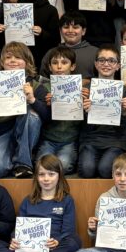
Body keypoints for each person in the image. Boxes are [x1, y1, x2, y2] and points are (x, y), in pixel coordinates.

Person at [0, 155, 82, 252]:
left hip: (53, 249)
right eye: (41, 174)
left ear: (59, 176)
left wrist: (57, 241)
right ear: (36, 177)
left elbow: (69, 231)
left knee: (74, 241)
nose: (46, 179)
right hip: (29, 250)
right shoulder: (28, 201)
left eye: (51, 174)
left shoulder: (66, 200)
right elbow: (18, 229)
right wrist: (14, 240)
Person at [0, 42, 44, 178]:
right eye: (8, 57)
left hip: (26, 132)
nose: (13, 61)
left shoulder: (35, 85)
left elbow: (48, 116)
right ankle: (15, 155)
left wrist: (33, 100)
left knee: (32, 115)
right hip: (0, 132)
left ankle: (23, 163)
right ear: (2, 62)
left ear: (27, 62)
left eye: (18, 57)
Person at [78, 45, 126, 178]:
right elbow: (82, 127)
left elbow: (123, 129)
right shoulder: (86, 89)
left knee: (105, 170)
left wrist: (124, 112)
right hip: (91, 139)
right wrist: (85, 111)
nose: (106, 64)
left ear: (118, 66)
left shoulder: (124, 90)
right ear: (96, 64)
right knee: (87, 170)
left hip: (116, 140)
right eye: (102, 60)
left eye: (111, 61)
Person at [34, 45, 83, 174]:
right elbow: (40, 118)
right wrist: (47, 106)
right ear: (50, 67)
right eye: (55, 63)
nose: (59, 67)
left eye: (64, 63)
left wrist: (84, 102)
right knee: (42, 167)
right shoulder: (43, 88)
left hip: (70, 140)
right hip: (48, 139)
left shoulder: (81, 88)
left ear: (72, 66)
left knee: (63, 165)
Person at [12, 0, 61, 67]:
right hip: (16, 59)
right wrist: (1, 30)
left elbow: (56, 40)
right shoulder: (12, 9)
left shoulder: (50, 10)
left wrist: (42, 33)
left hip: (40, 60)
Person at [39, 11, 99, 79]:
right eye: (66, 27)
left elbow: (104, 78)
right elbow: (42, 80)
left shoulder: (96, 53)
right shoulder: (51, 53)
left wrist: (88, 81)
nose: (70, 31)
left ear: (83, 31)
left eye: (75, 27)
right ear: (60, 31)